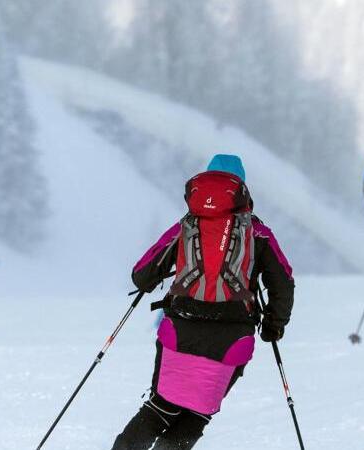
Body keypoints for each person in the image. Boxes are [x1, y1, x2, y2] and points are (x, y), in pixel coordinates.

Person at [112, 154, 295, 449]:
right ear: (241, 189)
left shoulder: (186, 226)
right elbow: (283, 282)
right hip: (231, 338)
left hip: (178, 332)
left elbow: (141, 275)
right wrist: (273, 325)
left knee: (160, 407)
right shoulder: (258, 233)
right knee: (197, 413)